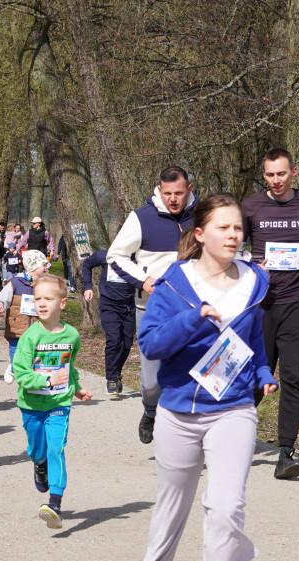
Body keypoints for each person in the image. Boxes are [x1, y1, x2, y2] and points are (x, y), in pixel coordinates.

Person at [138, 193, 277, 561]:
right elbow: (151, 346)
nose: (234, 235)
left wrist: (263, 371)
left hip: (233, 406)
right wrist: (193, 321)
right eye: (224, 227)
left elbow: (253, 337)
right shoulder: (174, 283)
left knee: (227, 503)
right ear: (200, 235)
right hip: (178, 409)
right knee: (173, 501)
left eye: (238, 228)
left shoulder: (255, 281)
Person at [241, 147, 299, 480]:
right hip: (260, 306)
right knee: (254, 377)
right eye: (269, 175)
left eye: (281, 174)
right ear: (263, 175)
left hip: (297, 305)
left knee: (292, 377)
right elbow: (236, 246)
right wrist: (249, 262)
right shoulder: (250, 206)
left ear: (294, 172)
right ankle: (226, 433)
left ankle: (285, 453)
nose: (276, 180)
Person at [106, 166, 197, 444]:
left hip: (194, 311)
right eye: (167, 193)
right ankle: (150, 410)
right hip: (152, 310)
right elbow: (116, 255)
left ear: (188, 190)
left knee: (194, 373)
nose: (172, 199)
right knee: (152, 381)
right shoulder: (141, 218)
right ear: (159, 190)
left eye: (178, 193)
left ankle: (188, 431)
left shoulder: (203, 215)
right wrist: (144, 280)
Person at [12, 274, 93, 530]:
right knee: (38, 450)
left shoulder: (71, 335)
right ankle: (39, 463)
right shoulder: (30, 337)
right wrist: (46, 382)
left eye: (49, 298)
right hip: (32, 406)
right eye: (38, 299)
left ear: (63, 303)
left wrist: (77, 389)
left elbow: (69, 368)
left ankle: (55, 502)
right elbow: (22, 374)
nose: (42, 303)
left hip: (59, 403)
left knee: (56, 448)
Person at [81, 249, 136, 394]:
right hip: (109, 304)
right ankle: (111, 378)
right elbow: (87, 264)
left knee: (127, 343)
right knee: (114, 340)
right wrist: (88, 287)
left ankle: (116, 373)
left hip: (129, 305)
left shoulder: (138, 257)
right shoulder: (106, 255)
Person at [0, 250, 50, 383]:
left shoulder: (45, 284)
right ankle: (14, 368)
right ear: (33, 267)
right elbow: (3, 298)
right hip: (16, 328)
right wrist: (0, 305)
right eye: (44, 265)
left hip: (37, 328)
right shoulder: (15, 282)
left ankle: (33, 380)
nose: (47, 267)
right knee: (16, 352)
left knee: (36, 354)